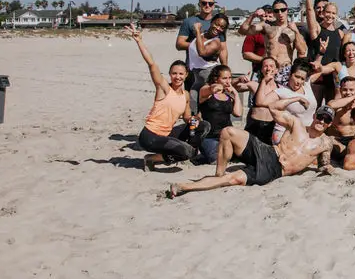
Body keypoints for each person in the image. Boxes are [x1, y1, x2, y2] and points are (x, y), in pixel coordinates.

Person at [166, 105, 336, 198]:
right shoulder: (296, 124)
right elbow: (274, 107)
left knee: (233, 179)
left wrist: (327, 169)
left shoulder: (326, 143)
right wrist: (296, 98)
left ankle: (185, 187)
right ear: (314, 116)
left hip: (275, 170)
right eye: (320, 116)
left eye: (326, 120)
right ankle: (218, 173)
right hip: (267, 151)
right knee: (228, 132)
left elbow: (324, 165)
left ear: (330, 124)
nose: (322, 121)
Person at [128, 24, 205, 169]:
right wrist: (139, 41)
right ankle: (151, 158)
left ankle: (189, 151)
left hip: (167, 134)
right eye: (174, 73)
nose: (177, 77)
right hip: (150, 136)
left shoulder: (186, 95)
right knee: (185, 152)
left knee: (203, 126)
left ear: (186, 75)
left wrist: (194, 119)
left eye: (181, 74)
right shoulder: (164, 88)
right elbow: (152, 64)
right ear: (170, 74)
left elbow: (187, 118)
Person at [194, 66, 244, 164]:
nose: (228, 81)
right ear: (216, 78)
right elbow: (210, 89)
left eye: (230, 78)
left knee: (240, 155)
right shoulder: (206, 90)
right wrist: (215, 87)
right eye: (224, 78)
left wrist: (235, 93)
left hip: (227, 136)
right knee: (218, 160)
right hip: (210, 136)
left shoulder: (228, 95)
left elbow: (238, 113)